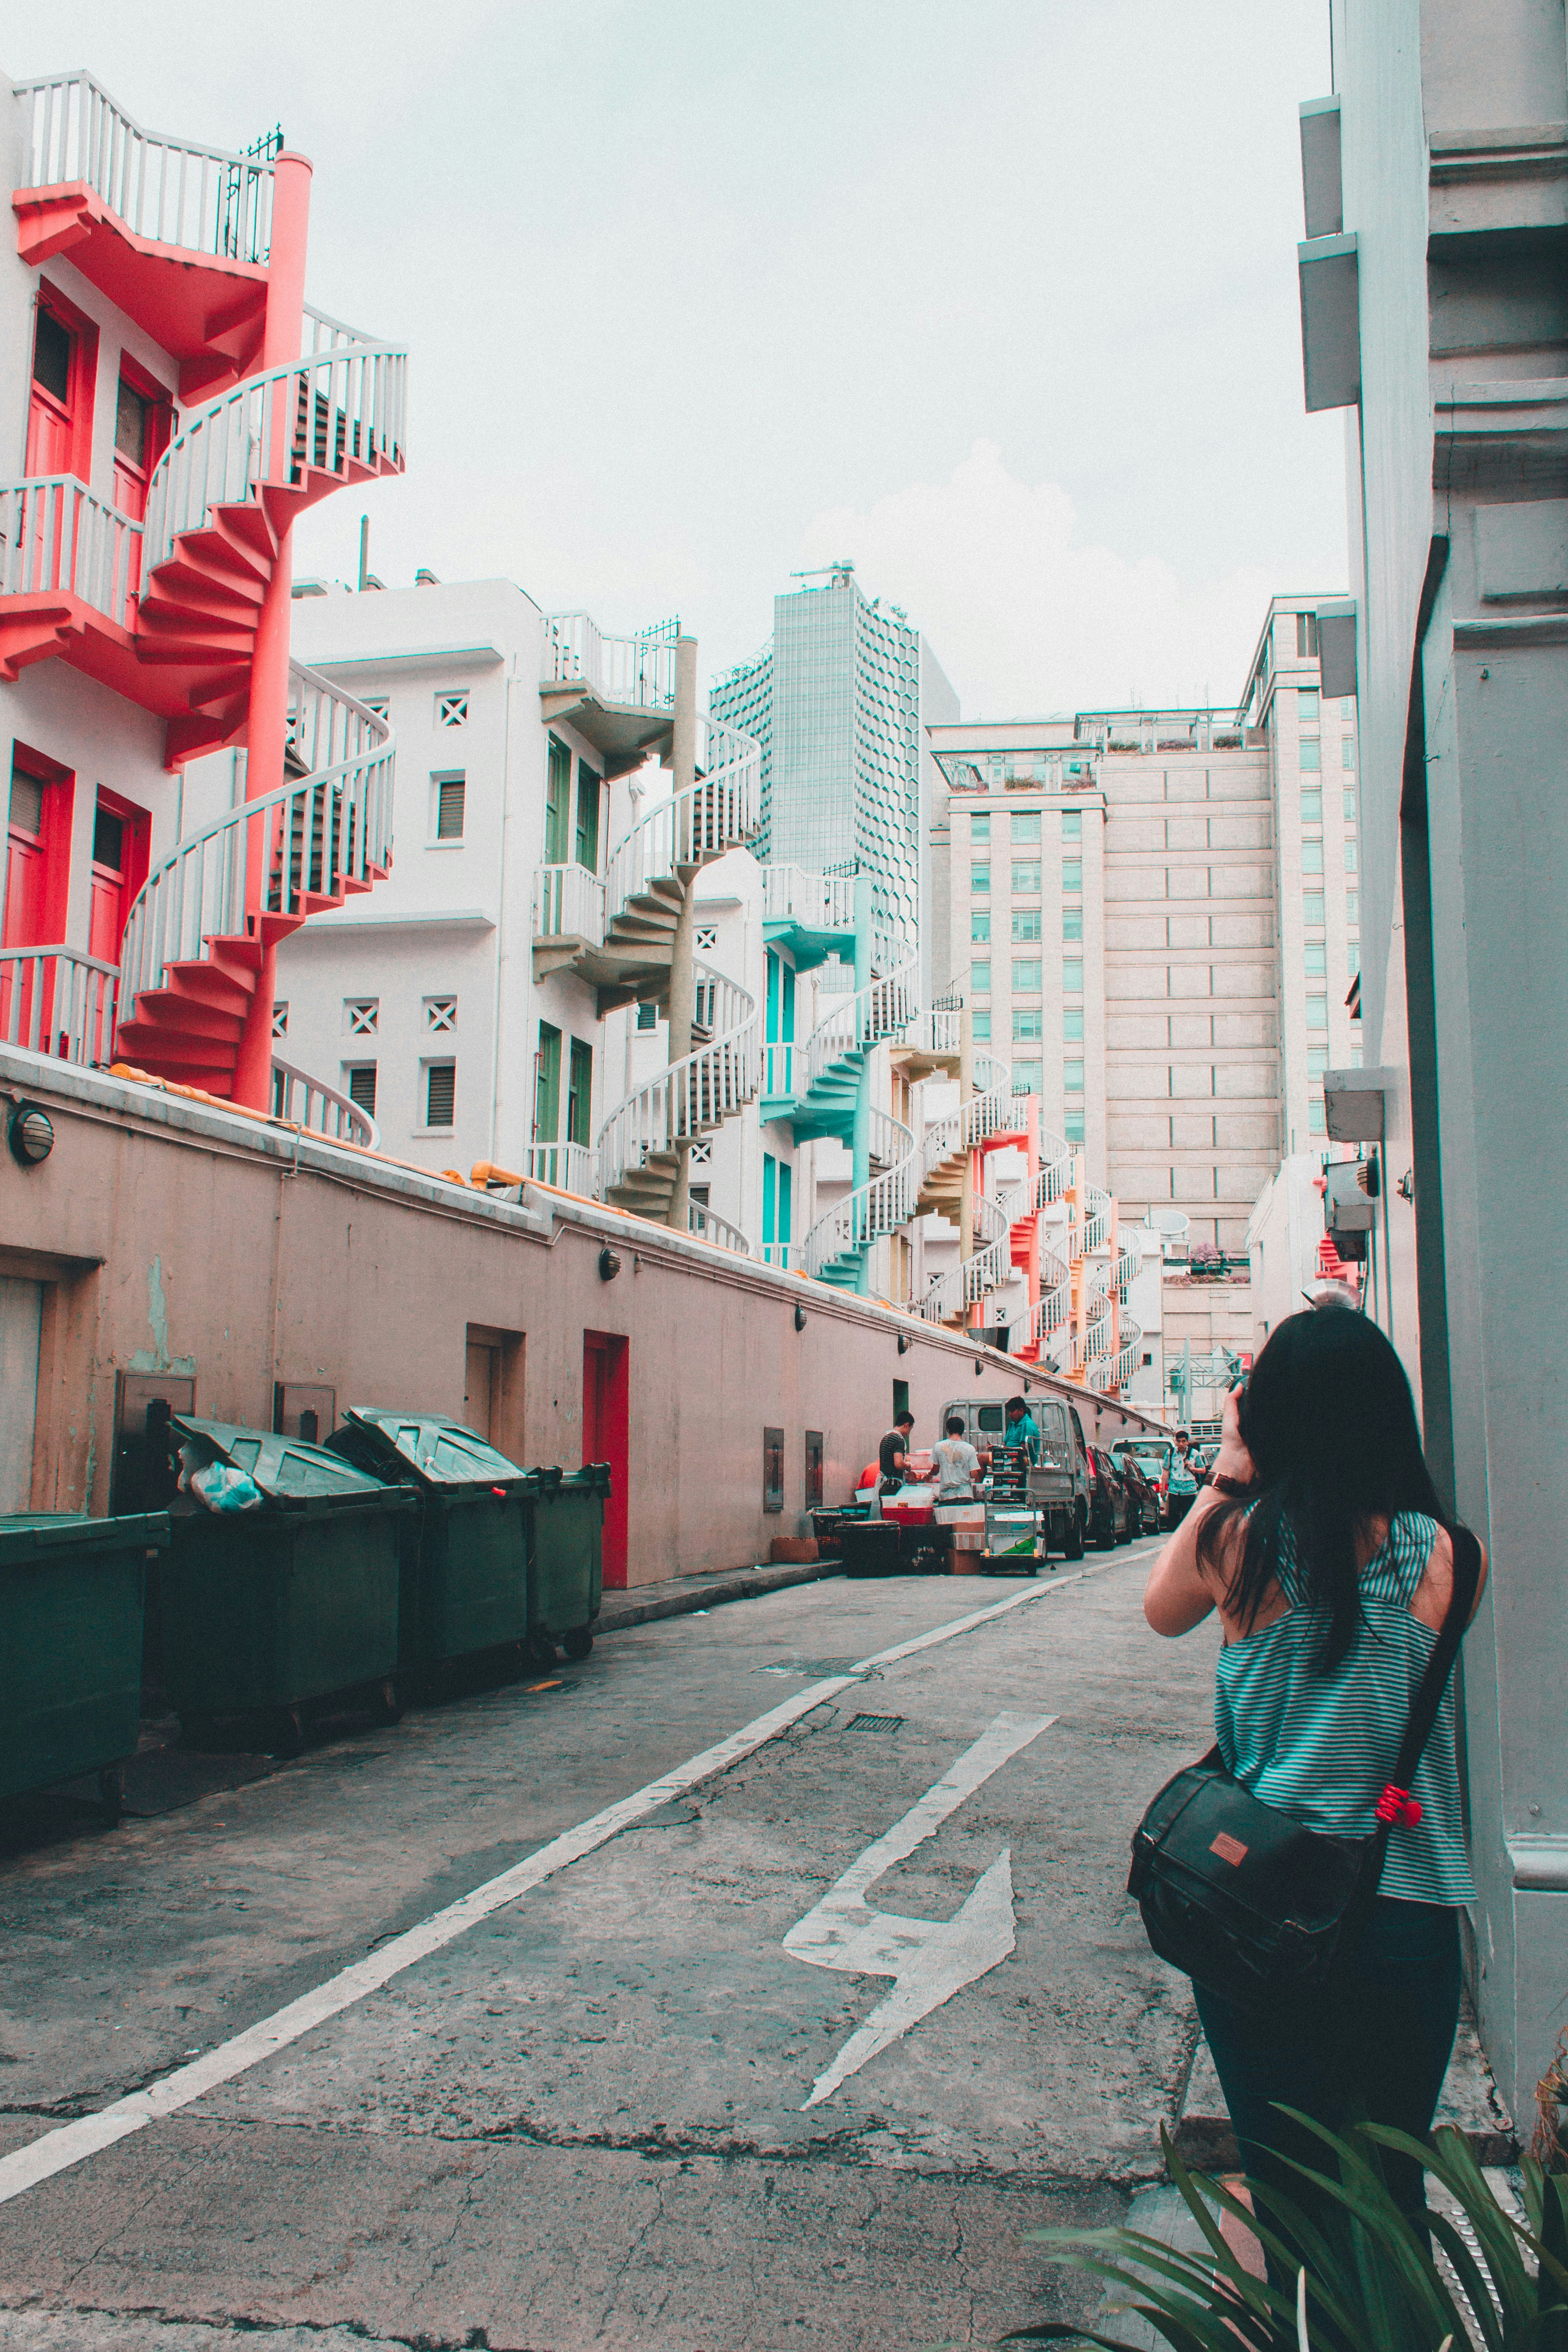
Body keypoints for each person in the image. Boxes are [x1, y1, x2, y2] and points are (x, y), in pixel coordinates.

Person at [1141, 1302, 1487, 2260]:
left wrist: (1227, 1466)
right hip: (1410, 1917)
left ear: (1273, 1419)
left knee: (1290, 2192)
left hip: (1267, 1914)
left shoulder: (1238, 1547)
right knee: (1389, 2192)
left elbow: (1159, 1609)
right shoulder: (1457, 1559)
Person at [931, 1414, 986, 1501]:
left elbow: (935, 1470)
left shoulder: (938, 1446)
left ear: (948, 1430)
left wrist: (928, 1475)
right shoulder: (970, 1448)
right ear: (962, 1430)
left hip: (946, 1496)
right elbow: (974, 1474)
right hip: (965, 1495)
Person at [877, 1411, 917, 1497]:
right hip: (893, 1487)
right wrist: (908, 1466)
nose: (909, 1433)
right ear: (906, 1425)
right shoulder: (899, 1440)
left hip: (884, 1485)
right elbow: (899, 1464)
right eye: (910, 1429)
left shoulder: (886, 1437)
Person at [1002, 1394, 1040, 1465]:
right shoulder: (1012, 1425)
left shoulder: (1027, 1425)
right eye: (1009, 1412)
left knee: (982, 1458)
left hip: (1022, 1459)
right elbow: (1005, 1443)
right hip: (1009, 1456)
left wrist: (1005, 1451)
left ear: (1021, 1411)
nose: (1010, 1414)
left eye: (1012, 1411)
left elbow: (1023, 1450)